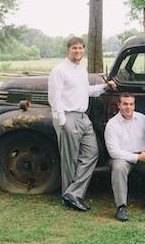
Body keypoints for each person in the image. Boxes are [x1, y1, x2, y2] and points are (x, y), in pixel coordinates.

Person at [47, 36, 117, 211]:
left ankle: (73, 192)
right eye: (74, 48)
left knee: (92, 153)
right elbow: (54, 98)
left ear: (83, 50)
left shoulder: (81, 69)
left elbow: (86, 91)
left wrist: (104, 88)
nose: (78, 51)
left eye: (80, 48)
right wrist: (62, 121)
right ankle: (70, 196)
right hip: (68, 117)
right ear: (68, 50)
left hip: (83, 116)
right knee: (69, 159)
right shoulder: (59, 70)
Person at [105, 93, 145, 222]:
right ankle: (121, 207)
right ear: (119, 105)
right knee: (119, 168)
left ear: (134, 105)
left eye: (131, 104)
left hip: (143, 156)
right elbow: (113, 152)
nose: (128, 107)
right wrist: (137, 157)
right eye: (125, 104)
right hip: (122, 158)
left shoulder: (143, 119)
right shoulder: (112, 125)